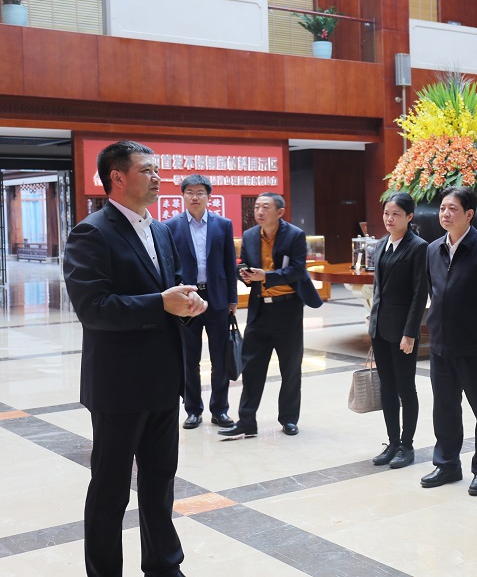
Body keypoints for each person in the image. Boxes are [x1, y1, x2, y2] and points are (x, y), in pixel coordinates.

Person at [63, 140, 207, 577]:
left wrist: (188, 304)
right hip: (119, 385)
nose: (158, 177)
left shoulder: (160, 230)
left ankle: (163, 565)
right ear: (118, 177)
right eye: (147, 170)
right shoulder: (92, 232)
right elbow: (94, 308)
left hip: (163, 379)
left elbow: (170, 289)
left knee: (160, 482)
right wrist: (160, 303)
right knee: (111, 490)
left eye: (157, 170)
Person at [219, 192, 323, 439]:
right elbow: (244, 263)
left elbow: (297, 270)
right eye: (257, 207)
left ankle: (289, 419)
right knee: (251, 367)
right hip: (260, 310)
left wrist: (266, 276)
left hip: (288, 310)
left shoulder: (294, 235)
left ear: (280, 212)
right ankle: (247, 421)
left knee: (290, 368)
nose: (259, 211)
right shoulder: (249, 235)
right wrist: (243, 273)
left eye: (265, 207)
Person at [421, 186, 477, 495]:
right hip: (441, 345)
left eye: (452, 208)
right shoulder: (433, 249)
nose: (445, 213)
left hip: (475, 347)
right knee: (444, 408)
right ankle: (447, 464)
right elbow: (433, 292)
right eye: (443, 208)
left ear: (469, 214)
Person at [165, 174, 238, 431]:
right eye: (190, 192)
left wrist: (232, 299)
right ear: (183, 196)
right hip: (187, 300)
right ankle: (193, 411)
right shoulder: (170, 226)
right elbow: (169, 267)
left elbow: (230, 264)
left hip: (217, 299)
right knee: (189, 359)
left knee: (220, 359)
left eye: (200, 192)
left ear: (208, 196)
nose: (195, 197)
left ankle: (220, 410)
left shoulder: (223, 225)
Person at [368, 192, 429, 469]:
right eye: (386, 213)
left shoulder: (418, 247)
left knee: (406, 387)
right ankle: (392, 442)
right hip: (380, 328)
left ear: (409, 217)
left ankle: (407, 445)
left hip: (403, 330)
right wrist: (372, 323)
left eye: (396, 214)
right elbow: (378, 289)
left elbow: (419, 293)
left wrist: (410, 332)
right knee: (387, 387)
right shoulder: (382, 244)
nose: (389, 219)